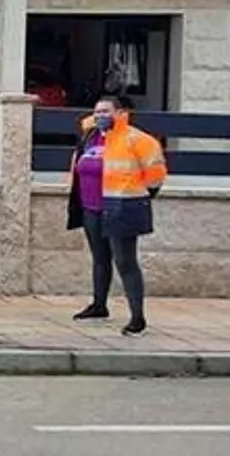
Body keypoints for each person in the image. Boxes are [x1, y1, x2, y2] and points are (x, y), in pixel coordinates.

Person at [66, 95, 167, 336]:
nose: (100, 115)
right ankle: (99, 305)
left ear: (120, 113)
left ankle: (137, 319)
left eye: (106, 111)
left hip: (122, 206)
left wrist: (140, 195)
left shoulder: (137, 139)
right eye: (97, 111)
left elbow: (156, 174)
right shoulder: (90, 136)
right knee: (100, 258)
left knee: (125, 262)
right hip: (91, 207)